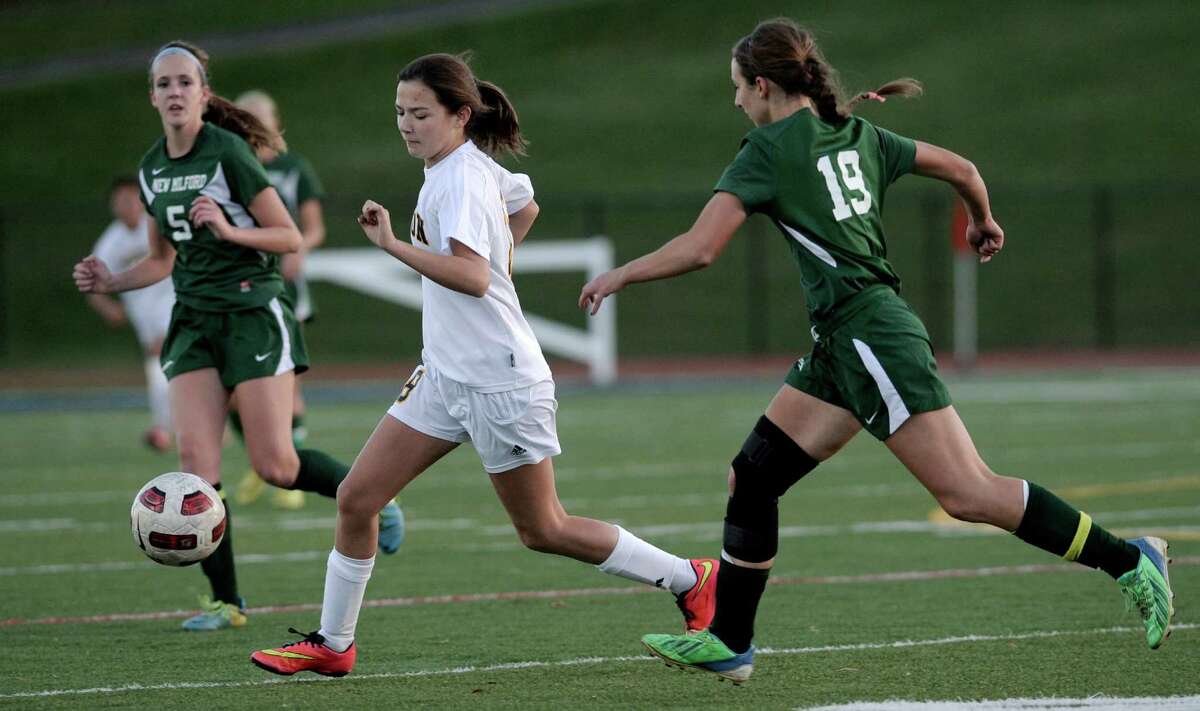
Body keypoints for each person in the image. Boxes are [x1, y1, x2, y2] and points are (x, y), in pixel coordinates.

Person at [579, 18, 1174, 683]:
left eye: (738, 88)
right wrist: (982, 217)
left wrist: (620, 274)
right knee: (753, 476)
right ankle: (731, 639)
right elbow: (963, 168)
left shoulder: (768, 148)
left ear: (765, 86)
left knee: (969, 492)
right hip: (844, 343)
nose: (736, 101)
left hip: (870, 335)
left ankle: (1130, 557)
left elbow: (701, 247)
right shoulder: (859, 133)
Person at [249, 52, 717, 677]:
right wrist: (499, 261)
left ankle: (690, 577)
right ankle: (334, 645)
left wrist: (396, 246)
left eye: (420, 113)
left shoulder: (460, 178)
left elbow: (472, 278)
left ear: (460, 115)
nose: (406, 125)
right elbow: (524, 205)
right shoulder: (459, 167)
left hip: (499, 380)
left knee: (543, 529)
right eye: (399, 113)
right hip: (444, 375)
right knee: (357, 498)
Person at [72, 40, 404, 632]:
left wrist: (227, 230)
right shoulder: (153, 167)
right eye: (164, 84)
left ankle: (371, 494)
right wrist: (111, 280)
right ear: (152, 96)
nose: (174, 92)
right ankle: (228, 602)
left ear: (203, 93)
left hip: (253, 312)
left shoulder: (229, 154)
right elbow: (160, 258)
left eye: (184, 82)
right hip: (193, 320)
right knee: (196, 466)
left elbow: (288, 237)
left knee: (276, 464)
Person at [229, 89, 329, 510]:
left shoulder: (292, 168)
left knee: (289, 383)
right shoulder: (229, 165)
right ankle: (262, 458)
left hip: (283, 287)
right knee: (234, 386)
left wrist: (298, 248)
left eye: (259, 117)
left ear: (274, 121)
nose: (253, 124)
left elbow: (314, 227)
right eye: (244, 117)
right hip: (237, 285)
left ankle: (287, 475)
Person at [85, 176, 176, 452]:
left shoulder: (156, 225)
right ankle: (174, 425)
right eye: (120, 200)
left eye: (131, 198)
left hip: (173, 302)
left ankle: (165, 428)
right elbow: (91, 282)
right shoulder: (111, 242)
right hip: (142, 315)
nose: (126, 205)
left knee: (163, 355)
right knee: (160, 364)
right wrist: (108, 307)